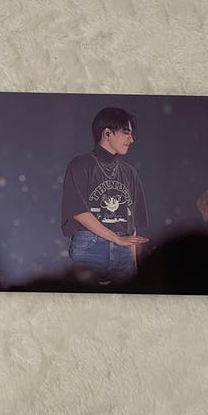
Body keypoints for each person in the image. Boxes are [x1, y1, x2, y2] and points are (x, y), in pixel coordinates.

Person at [61, 107, 149, 283]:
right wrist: (116, 238)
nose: (131, 139)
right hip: (90, 245)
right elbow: (78, 211)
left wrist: (134, 265)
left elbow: (131, 225)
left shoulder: (130, 172)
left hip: (123, 248)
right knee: (87, 298)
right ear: (107, 133)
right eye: (126, 133)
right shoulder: (81, 165)